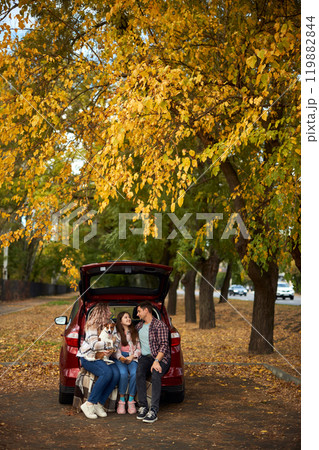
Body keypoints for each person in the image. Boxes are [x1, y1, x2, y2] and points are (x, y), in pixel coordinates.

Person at [77, 303, 120, 419]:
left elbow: (117, 341)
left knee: (116, 374)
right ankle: (89, 403)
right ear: (102, 312)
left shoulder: (111, 323)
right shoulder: (92, 325)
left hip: (105, 357)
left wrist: (112, 350)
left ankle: (98, 404)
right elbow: (94, 345)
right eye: (108, 311)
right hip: (89, 357)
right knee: (107, 373)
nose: (110, 313)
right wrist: (108, 345)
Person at [135, 301, 171, 423]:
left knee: (156, 374)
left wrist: (156, 361)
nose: (137, 314)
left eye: (139, 311)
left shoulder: (159, 325)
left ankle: (154, 411)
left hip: (161, 357)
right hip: (145, 358)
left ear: (146, 310)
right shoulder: (139, 326)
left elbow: (164, 346)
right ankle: (143, 406)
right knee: (139, 372)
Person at [114, 311, 141, 414]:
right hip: (120, 358)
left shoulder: (134, 332)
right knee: (123, 373)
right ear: (120, 321)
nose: (129, 319)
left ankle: (131, 400)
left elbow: (139, 348)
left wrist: (132, 356)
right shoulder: (116, 333)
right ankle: (121, 401)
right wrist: (121, 358)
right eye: (126, 317)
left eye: (129, 317)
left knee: (134, 373)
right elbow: (115, 349)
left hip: (132, 356)